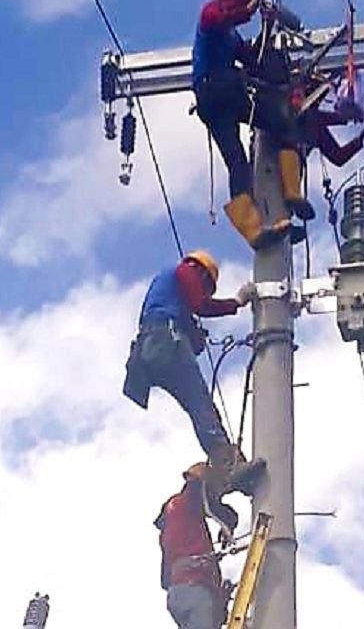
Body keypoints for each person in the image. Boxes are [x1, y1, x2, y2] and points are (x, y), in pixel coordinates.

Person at [123, 250, 264, 495]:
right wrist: (237, 302)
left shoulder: (165, 293)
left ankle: (226, 472)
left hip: (151, 351)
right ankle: (230, 468)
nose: (205, 291)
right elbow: (201, 304)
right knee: (201, 406)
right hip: (166, 341)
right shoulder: (187, 270)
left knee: (197, 407)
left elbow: (186, 320)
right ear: (203, 273)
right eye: (207, 287)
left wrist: (193, 333)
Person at [192, 0, 292, 250]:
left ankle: (275, 211)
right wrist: (253, 7)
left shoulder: (232, 36)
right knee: (244, 150)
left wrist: (267, 27)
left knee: (265, 136)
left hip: (222, 98)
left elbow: (252, 59)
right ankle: (256, 224)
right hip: (215, 92)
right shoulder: (211, 13)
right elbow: (224, 17)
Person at [278, 84, 364, 221]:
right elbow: (321, 117)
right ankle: (289, 202)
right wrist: (348, 117)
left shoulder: (314, 124)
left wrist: (361, 135)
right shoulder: (304, 113)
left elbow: (338, 156)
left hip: (291, 167)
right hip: (276, 153)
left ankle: (289, 210)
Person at [155, 463, 236, 629]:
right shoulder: (188, 501)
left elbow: (165, 580)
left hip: (177, 593)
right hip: (195, 588)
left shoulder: (171, 527)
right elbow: (207, 498)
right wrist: (229, 521)